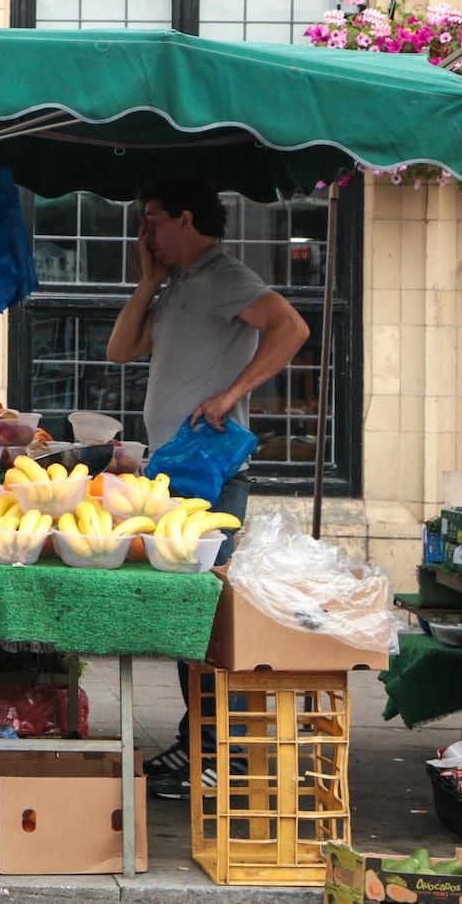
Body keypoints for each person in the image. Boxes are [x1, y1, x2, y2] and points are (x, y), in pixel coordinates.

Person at [105, 174, 311, 800]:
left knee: (206, 614)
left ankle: (224, 755)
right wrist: (145, 279)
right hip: (173, 469)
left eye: (153, 221)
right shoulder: (174, 284)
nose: (145, 233)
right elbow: (119, 350)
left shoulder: (224, 276)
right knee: (187, 614)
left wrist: (231, 394)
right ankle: (199, 744)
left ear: (186, 220)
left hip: (213, 475)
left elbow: (291, 328)